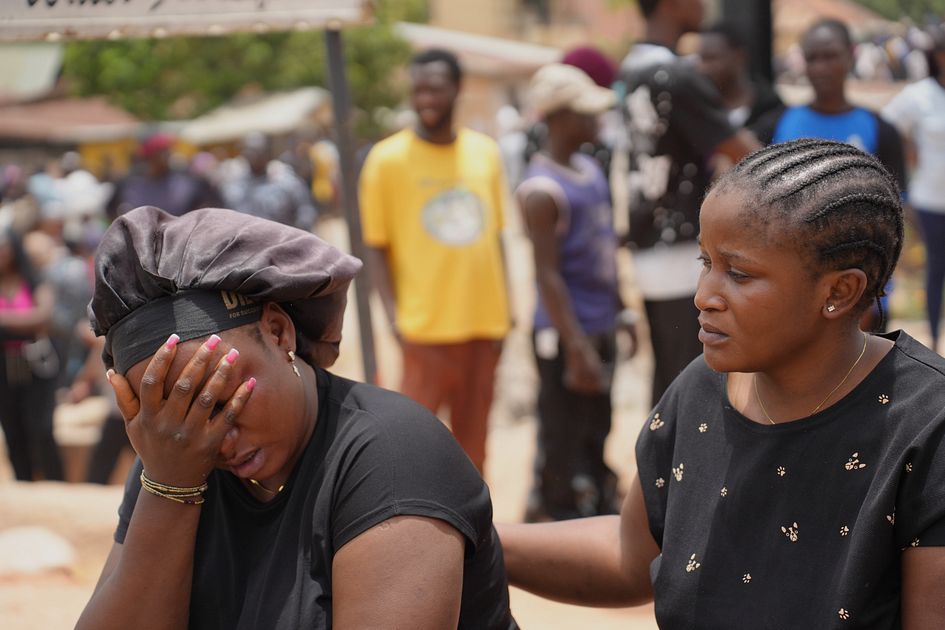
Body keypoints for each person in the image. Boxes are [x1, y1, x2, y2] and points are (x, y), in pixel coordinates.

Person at [498, 139, 945, 627]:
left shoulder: (926, 427)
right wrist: (472, 533)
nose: (704, 296)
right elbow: (631, 555)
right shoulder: (702, 390)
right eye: (705, 263)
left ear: (839, 290)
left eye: (739, 273)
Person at [76, 205, 518, 630]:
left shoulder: (393, 458)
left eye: (223, 400)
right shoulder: (176, 455)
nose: (213, 438)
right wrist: (171, 489)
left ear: (278, 331)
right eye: (172, 416)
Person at [359, 49, 511, 473]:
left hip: (484, 325)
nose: (425, 98)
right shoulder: (386, 160)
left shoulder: (485, 153)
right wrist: (394, 319)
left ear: (457, 89)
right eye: (418, 89)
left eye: (436, 89)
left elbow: (496, 237)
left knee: (474, 449)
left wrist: (507, 311)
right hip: (424, 329)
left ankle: (475, 516)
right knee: (412, 449)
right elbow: (376, 246)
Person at [619, 0, 759, 407]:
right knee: (697, 386)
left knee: (669, 380)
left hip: (649, 247)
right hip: (684, 252)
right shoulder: (677, 76)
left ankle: (658, 449)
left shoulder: (630, 68)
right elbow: (747, 154)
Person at [516, 64, 635, 521]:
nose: (596, 119)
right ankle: (556, 514)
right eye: (586, 111)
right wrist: (576, 345)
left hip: (598, 320)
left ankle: (595, 504)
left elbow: (603, 249)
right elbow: (547, 275)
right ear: (560, 117)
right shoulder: (542, 191)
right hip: (566, 332)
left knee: (597, 422)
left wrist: (622, 311)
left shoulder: (588, 169)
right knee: (561, 429)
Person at [757, 18, 906, 334]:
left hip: (861, 286)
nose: (821, 67)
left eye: (830, 56)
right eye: (812, 58)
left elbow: (893, 214)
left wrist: (873, 284)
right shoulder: (776, 125)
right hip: (792, 286)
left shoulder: (879, 128)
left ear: (851, 56)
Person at [882, 27, 945, 354]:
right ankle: (934, 340)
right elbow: (887, 124)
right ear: (940, 57)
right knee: (937, 268)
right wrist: (908, 154)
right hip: (931, 199)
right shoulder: (920, 95)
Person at [0, 228, 63, 481]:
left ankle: (56, 484)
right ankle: (24, 484)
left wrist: (4, 319)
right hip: (4, 367)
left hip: (37, 362)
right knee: (13, 431)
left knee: (42, 429)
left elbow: (42, 317)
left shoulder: (34, 280)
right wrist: (21, 321)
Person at [108, 133, 223, 219]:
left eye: (167, 150)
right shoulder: (130, 186)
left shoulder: (187, 183)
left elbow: (211, 203)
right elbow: (111, 210)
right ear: (149, 158)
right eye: (161, 152)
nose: (166, 155)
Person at [698, 21, 784, 134]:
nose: (704, 68)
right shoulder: (697, 109)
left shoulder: (773, 110)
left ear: (739, 57)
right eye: (701, 59)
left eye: (711, 58)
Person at [222, 132, 317, 231]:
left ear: (267, 153)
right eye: (248, 151)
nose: (252, 155)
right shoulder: (235, 187)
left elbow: (305, 211)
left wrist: (297, 232)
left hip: (283, 237)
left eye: (257, 151)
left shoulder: (286, 181)